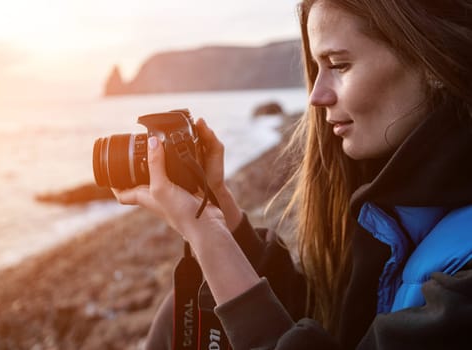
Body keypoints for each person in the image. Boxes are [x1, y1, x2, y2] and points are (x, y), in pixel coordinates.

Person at [113, 0, 472, 348]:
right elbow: (323, 321)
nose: (316, 96)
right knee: (184, 310)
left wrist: (204, 233)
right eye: (317, 69)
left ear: (432, 62)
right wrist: (217, 209)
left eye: (340, 65)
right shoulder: (402, 204)